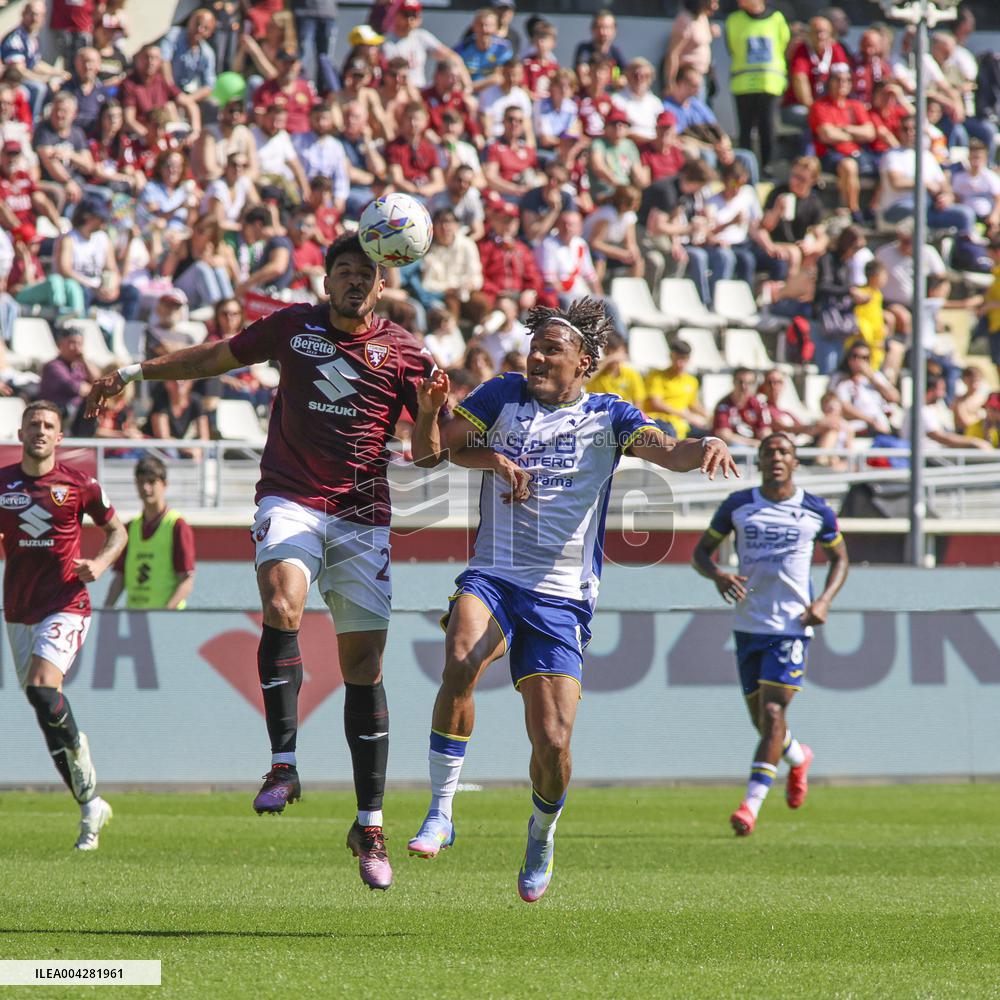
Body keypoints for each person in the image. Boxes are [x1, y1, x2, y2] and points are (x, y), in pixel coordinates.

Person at [86, 233, 440, 892]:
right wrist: (138, 373)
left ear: (383, 285)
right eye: (344, 271)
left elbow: (427, 454)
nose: (355, 282)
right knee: (282, 604)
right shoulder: (293, 327)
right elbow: (215, 357)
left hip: (363, 514)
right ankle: (283, 763)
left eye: (366, 274)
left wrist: (434, 411)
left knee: (363, 667)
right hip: (293, 496)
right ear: (326, 279)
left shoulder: (408, 353)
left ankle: (369, 823)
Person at [406, 298, 736, 899]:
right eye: (534, 347)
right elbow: (430, 453)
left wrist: (704, 442)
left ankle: (542, 830)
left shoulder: (610, 415)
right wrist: (432, 414)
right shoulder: (500, 395)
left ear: (586, 362)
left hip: (561, 597)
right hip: (495, 574)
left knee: (553, 742)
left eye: (551, 350)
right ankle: (441, 809)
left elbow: (667, 449)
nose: (535, 356)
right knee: (460, 658)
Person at [692, 432, 848, 836]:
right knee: (764, 723)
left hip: (793, 627)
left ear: (796, 462)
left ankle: (750, 806)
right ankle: (798, 757)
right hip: (748, 624)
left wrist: (825, 601)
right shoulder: (739, 505)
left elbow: (840, 559)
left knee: (775, 713)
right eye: (768, 453)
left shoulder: (816, 510)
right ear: (759, 462)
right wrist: (718, 575)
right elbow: (699, 553)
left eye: (784, 452)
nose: (776, 457)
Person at [0, 401, 126, 849]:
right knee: (43, 709)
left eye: (49, 425)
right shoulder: (3, 484)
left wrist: (101, 563)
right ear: (20, 432)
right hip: (17, 608)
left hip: (66, 603)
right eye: (33, 423)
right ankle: (90, 805)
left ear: (59, 437)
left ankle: (80, 746)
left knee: (41, 687)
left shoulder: (79, 484)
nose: (40, 430)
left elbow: (118, 532)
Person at [106, 456, 197, 610]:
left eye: (151, 481)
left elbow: (186, 580)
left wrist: (165, 613)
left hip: (167, 621)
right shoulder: (130, 528)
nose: (146, 488)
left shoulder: (177, 525)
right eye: (141, 482)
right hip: (134, 619)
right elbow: (120, 577)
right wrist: (106, 611)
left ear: (165, 484)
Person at [724, 0, 790, 172]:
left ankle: (767, 168)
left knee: (767, 129)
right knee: (745, 131)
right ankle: (744, 170)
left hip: (769, 84)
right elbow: (732, 47)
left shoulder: (776, 18)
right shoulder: (734, 20)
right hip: (743, 85)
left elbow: (783, 44)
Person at [712, 368, 767, 447]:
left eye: (750, 383)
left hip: (755, 450)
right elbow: (724, 434)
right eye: (740, 382)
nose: (744, 386)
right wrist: (752, 443)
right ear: (733, 382)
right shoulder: (723, 406)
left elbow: (765, 431)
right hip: (732, 451)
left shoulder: (759, 404)